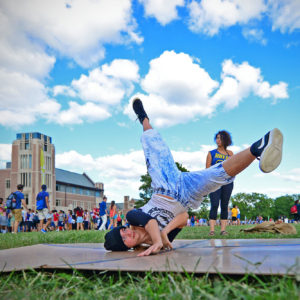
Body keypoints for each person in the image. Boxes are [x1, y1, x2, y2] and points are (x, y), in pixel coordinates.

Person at [104, 98, 283, 256]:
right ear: (126, 247)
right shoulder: (157, 243)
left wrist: (159, 240)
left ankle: (143, 118)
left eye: (123, 231)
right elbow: (183, 217)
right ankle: (260, 146)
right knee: (217, 175)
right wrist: (164, 233)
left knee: (154, 144)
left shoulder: (133, 218)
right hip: (187, 195)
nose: (128, 233)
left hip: (165, 183)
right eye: (124, 238)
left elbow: (150, 221)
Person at [206, 130, 234, 236]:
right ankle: (212, 230)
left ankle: (223, 230)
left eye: (220, 138)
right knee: (214, 204)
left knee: (224, 205)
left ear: (225, 140)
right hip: (214, 182)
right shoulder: (211, 153)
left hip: (227, 182)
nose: (218, 140)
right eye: (217, 138)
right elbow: (207, 170)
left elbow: (234, 167)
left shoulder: (230, 153)